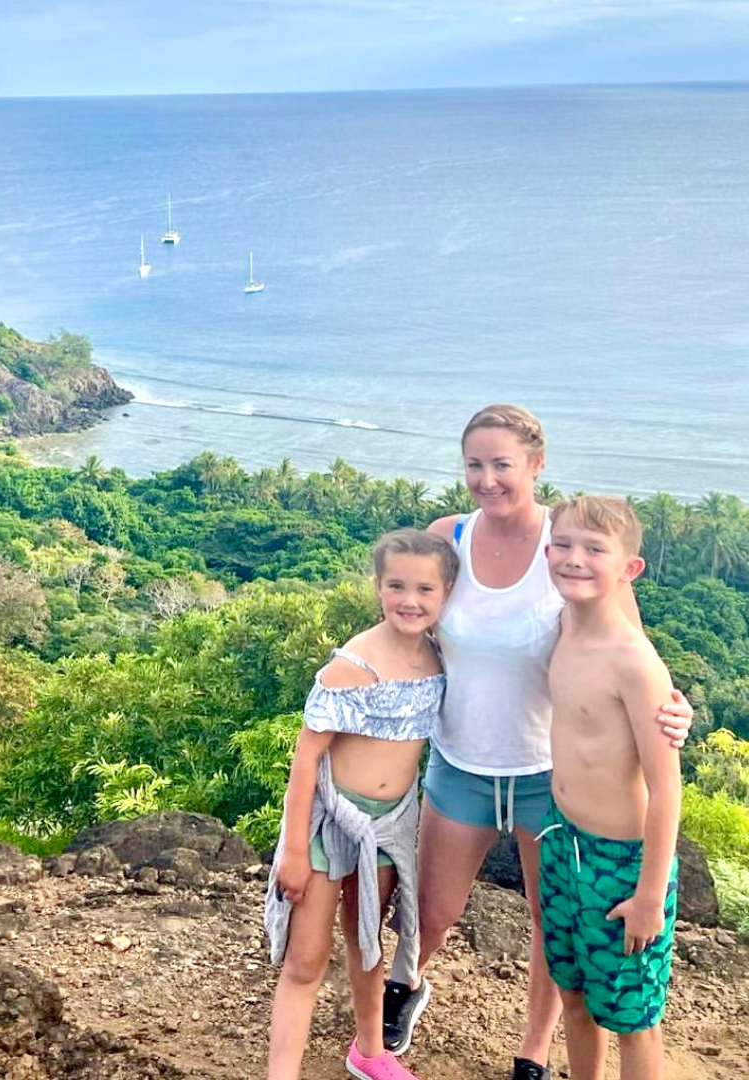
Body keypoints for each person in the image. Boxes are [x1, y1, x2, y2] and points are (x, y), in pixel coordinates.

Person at [382, 404, 693, 1080]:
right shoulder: (448, 537)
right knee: (431, 912)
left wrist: (674, 708)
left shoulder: (569, 540)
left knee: (551, 931)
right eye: (474, 464)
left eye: (503, 464)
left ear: (536, 464)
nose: (488, 479)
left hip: (545, 774)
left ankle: (533, 1052)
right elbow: (403, 617)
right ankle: (404, 988)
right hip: (462, 756)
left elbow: (628, 642)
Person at [264, 528, 459, 1080]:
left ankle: (371, 1051)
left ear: (446, 593)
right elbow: (307, 761)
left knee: (367, 943)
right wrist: (295, 851)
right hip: (332, 822)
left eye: (426, 588)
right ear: (377, 587)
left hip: (392, 822)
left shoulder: (441, 660)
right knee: (305, 961)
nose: (410, 600)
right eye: (396, 585)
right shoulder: (353, 664)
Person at [539, 495, 681, 1080]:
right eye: (564, 546)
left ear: (629, 569)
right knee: (572, 994)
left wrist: (650, 896)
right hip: (563, 842)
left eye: (595, 549)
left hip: (623, 863)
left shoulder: (636, 663)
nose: (575, 559)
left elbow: (667, 788)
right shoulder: (564, 623)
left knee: (632, 1021)